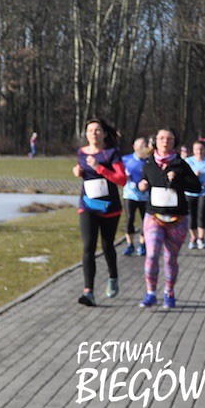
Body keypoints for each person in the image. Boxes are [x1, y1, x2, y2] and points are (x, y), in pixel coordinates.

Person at [138, 128, 200, 309]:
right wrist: (142, 184)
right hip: (154, 216)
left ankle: (169, 292)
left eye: (169, 139)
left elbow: (196, 187)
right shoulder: (149, 163)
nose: (165, 141)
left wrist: (178, 180)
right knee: (151, 254)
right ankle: (151, 293)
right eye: (161, 138)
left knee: (170, 258)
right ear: (155, 141)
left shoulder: (181, 164)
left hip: (177, 219)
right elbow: (144, 180)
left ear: (174, 142)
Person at [72, 118, 126, 307]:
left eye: (97, 130)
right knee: (88, 246)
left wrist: (99, 168)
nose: (93, 133)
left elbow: (122, 179)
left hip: (109, 207)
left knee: (107, 245)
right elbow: (82, 172)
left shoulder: (112, 153)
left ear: (104, 133)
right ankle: (89, 292)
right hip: (87, 205)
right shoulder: (81, 152)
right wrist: (78, 172)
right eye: (90, 130)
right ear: (86, 134)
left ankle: (113, 277)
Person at [183, 141, 205, 249]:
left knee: (201, 215)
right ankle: (193, 237)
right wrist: (192, 176)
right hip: (190, 192)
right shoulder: (188, 161)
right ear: (193, 150)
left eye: (201, 149)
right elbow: (182, 175)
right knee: (192, 216)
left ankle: (201, 238)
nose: (199, 151)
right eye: (197, 149)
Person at [121, 137, 150, 256]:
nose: (142, 148)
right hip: (130, 194)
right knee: (129, 219)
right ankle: (130, 245)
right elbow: (120, 175)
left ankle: (143, 245)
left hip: (145, 196)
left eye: (144, 145)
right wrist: (124, 177)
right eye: (139, 146)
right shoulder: (126, 159)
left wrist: (147, 183)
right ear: (134, 147)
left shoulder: (149, 161)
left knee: (145, 221)